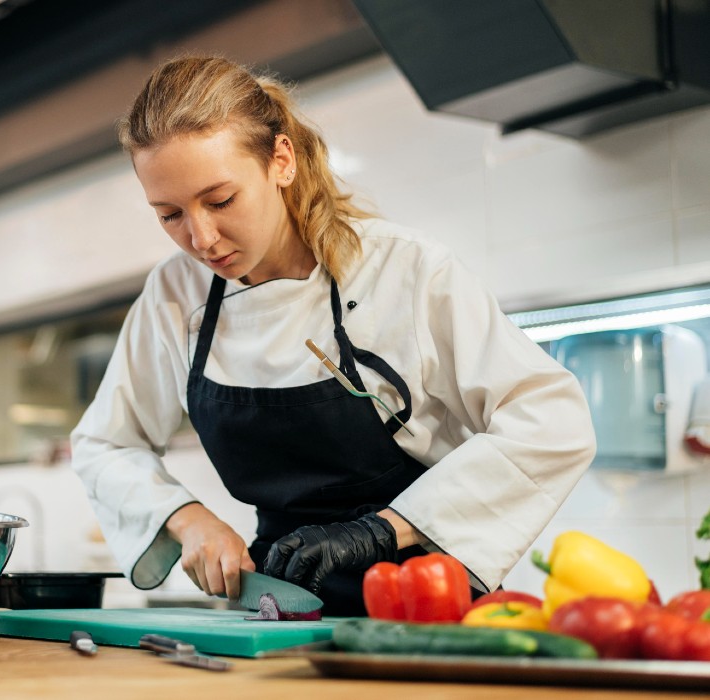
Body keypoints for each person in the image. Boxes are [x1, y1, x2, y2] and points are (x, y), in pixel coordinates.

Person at [70, 55, 596, 616]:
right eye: (169, 214)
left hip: (421, 603)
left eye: (221, 201)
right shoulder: (175, 294)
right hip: (275, 608)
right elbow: (106, 443)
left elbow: (551, 421)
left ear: (281, 160)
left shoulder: (405, 270)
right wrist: (187, 519)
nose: (201, 237)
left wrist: (380, 532)